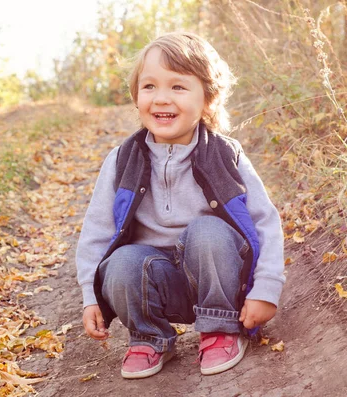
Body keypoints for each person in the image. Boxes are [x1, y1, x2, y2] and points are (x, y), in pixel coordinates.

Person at [75, 32, 285, 379]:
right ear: (136, 96)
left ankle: (220, 328)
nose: (161, 99)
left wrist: (266, 289)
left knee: (207, 230)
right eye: (149, 87)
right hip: (158, 281)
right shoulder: (121, 160)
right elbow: (97, 232)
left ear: (207, 99)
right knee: (123, 262)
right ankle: (149, 337)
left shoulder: (225, 154)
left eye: (177, 87)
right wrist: (90, 296)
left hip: (220, 274)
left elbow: (265, 221)